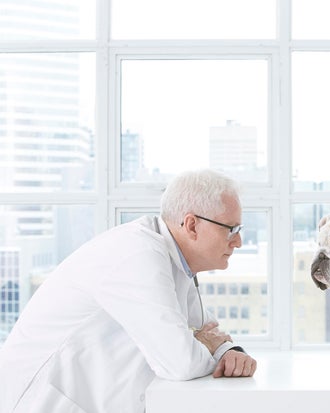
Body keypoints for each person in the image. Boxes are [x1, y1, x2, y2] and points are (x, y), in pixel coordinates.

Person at [0, 169, 257, 413]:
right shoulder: (138, 254)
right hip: (42, 401)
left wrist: (229, 352)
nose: (238, 242)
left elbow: (207, 328)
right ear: (191, 225)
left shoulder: (176, 263)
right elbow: (180, 362)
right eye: (231, 229)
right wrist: (204, 345)